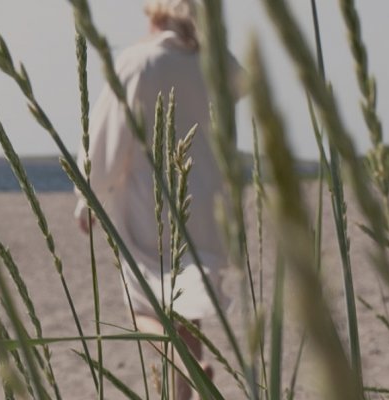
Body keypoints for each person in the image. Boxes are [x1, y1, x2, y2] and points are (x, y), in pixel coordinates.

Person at [74, 0, 238, 398]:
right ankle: (189, 385)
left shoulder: (140, 60)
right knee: (188, 313)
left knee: (144, 307)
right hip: (208, 202)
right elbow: (239, 83)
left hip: (155, 201)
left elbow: (106, 137)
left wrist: (88, 194)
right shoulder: (212, 60)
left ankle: (188, 367)